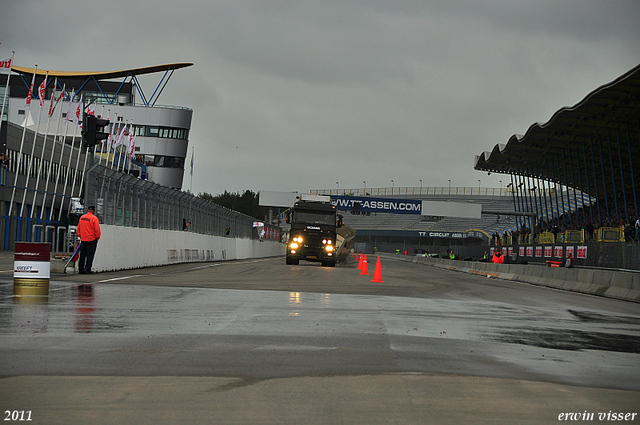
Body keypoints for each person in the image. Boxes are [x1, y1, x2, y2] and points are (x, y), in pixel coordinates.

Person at [77, 206, 101, 274]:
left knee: (82, 255)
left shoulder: (82, 217)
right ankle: (88, 269)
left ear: (87, 210)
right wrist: (97, 237)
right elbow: (97, 229)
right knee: (90, 255)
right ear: (93, 211)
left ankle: (80, 269)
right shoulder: (94, 218)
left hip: (83, 239)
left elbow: (78, 228)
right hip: (91, 239)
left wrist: (80, 235)